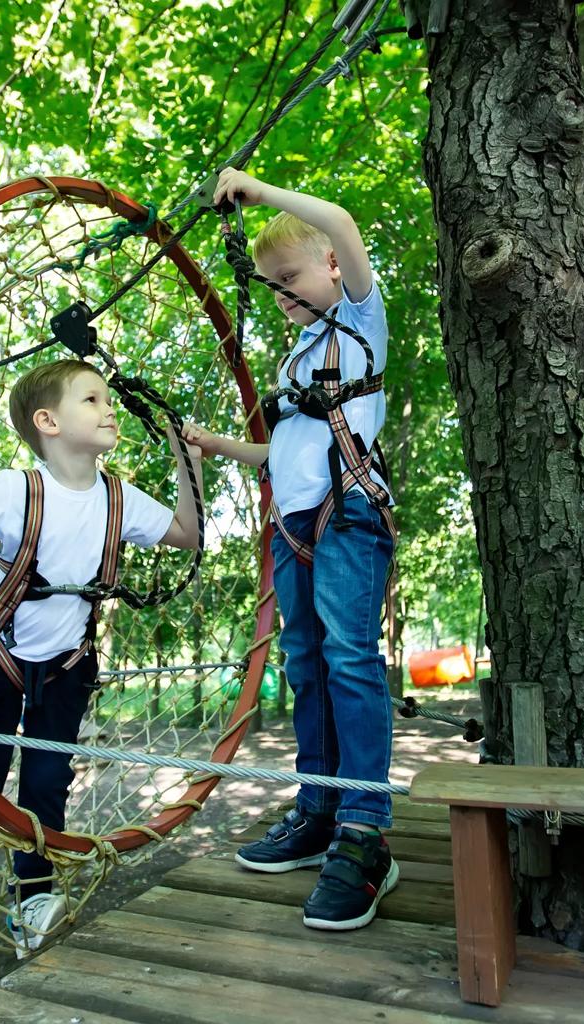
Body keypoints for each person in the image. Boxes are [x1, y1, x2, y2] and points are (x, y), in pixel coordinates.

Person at [0, 358, 203, 972]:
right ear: (48, 421)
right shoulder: (15, 490)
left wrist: (184, 457)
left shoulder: (119, 498)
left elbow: (188, 533)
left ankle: (32, 898)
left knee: (45, 782)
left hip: (67, 663)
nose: (109, 408)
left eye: (106, 399)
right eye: (93, 399)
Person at [183, 168, 398, 931]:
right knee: (304, 664)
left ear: (333, 269)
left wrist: (262, 193)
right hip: (295, 527)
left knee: (349, 658)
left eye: (291, 275)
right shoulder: (300, 355)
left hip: (347, 521)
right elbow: (285, 456)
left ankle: (365, 829)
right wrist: (221, 446)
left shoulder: (358, 323)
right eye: (270, 284)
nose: (280, 290)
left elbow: (337, 216)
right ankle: (319, 807)